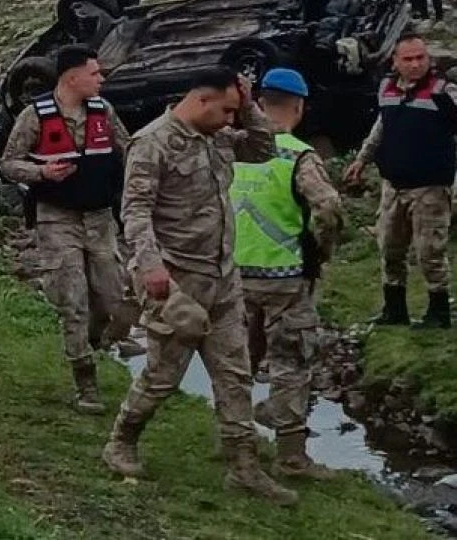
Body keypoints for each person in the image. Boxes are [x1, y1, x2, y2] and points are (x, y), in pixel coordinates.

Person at [101, 66, 299, 505]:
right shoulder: (153, 143)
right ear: (201, 99)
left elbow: (264, 149)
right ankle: (121, 441)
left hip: (223, 279)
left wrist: (247, 105)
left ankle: (244, 468)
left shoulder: (219, 137)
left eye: (234, 113)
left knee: (235, 376)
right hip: (177, 281)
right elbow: (135, 211)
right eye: (226, 110)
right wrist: (150, 266)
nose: (230, 119)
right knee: (163, 375)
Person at [0, 45, 133, 414]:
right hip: (57, 218)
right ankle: (85, 381)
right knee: (72, 299)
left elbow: (129, 150)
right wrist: (41, 172)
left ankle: (93, 339)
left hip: (100, 218)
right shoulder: (34, 116)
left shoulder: (104, 111)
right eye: (94, 73)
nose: (101, 79)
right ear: (72, 77)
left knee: (111, 298)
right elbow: (9, 162)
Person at [231, 68, 344, 480]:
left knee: (236, 363)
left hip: (235, 274)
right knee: (291, 362)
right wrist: (322, 250)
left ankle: (231, 441)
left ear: (260, 103)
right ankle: (292, 456)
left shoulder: (235, 147)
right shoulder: (299, 156)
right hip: (287, 276)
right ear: (299, 107)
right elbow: (328, 208)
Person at [345, 34, 457, 328]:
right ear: (395, 61)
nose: (415, 64)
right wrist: (362, 159)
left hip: (430, 188)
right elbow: (381, 126)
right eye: (408, 59)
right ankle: (394, 310)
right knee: (390, 249)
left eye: (421, 57)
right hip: (392, 186)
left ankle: (438, 313)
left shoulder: (443, 92)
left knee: (430, 252)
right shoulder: (387, 88)